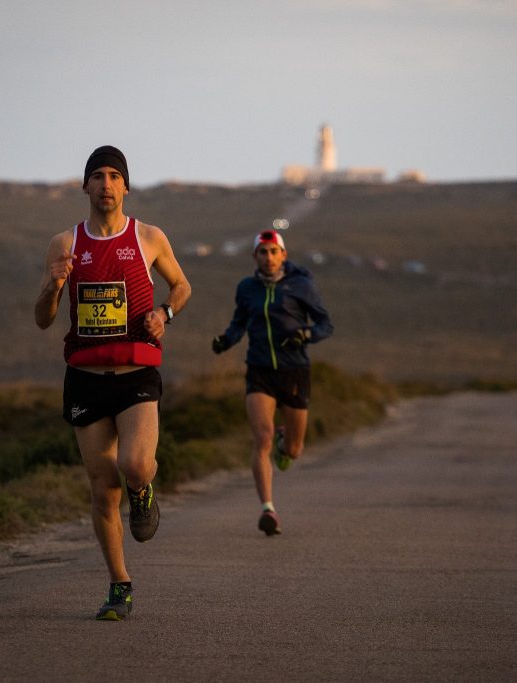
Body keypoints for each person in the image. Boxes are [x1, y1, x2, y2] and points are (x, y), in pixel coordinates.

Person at [34, 145, 191, 621]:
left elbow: (182, 286)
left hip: (136, 373)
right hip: (84, 377)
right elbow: (43, 319)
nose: (105, 184)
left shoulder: (148, 236)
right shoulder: (65, 243)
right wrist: (53, 287)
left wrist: (164, 314)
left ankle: (144, 492)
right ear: (85, 186)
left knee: (136, 464)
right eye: (97, 176)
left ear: (126, 186)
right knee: (103, 488)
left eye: (114, 176)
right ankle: (119, 585)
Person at [211, 230, 333, 536]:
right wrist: (227, 340)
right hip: (260, 369)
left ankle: (284, 442)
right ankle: (268, 508)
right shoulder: (247, 288)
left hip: (294, 371)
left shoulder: (301, 286)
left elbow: (325, 324)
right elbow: (240, 322)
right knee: (262, 438)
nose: (268, 258)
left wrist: (307, 334)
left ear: (283, 255)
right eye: (262, 252)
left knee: (293, 450)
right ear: (255, 257)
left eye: (273, 252)